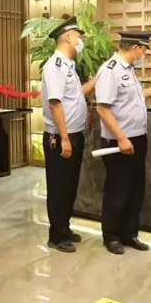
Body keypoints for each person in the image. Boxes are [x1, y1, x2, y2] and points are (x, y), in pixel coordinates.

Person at [95, 31, 151, 255]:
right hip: (119, 141)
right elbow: (103, 108)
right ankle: (111, 236)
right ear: (136, 48)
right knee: (118, 190)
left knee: (135, 189)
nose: (144, 55)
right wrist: (121, 138)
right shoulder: (110, 70)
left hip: (137, 138)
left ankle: (129, 233)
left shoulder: (128, 70)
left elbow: (131, 98)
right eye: (144, 50)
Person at [40, 16, 98, 253]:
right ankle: (56, 235)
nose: (80, 40)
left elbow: (76, 95)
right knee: (59, 187)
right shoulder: (54, 65)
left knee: (70, 186)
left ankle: (64, 227)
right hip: (60, 137)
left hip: (74, 133)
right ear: (67, 36)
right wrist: (64, 137)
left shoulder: (68, 65)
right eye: (78, 36)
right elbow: (55, 103)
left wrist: (97, 80)